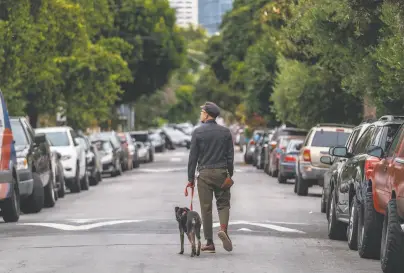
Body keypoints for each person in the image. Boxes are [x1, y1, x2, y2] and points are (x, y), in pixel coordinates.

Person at [187, 101, 234, 253]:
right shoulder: (226, 132)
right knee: (223, 204)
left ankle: (209, 242)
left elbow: (193, 158)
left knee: (206, 209)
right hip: (221, 173)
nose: (201, 114)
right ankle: (223, 230)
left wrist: (190, 179)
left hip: (205, 175)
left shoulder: (197, 132)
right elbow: (230, 157)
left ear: (207, 114)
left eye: (202, 112)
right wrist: (229, 174)